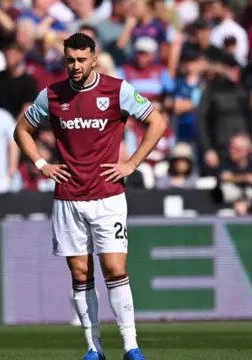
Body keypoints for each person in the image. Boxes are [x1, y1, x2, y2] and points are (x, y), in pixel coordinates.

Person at [13, 33, 166, 360]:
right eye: (70, 60)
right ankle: (93, 348)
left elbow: (156, 122)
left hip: (108, 195)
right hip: (68, 197)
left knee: (114, 268)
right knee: (80, 274)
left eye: (82, 60)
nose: (76, 66)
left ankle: (130, 346)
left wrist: (132, 163)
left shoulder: (117, 89)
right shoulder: (52, 95)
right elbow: (21, 130)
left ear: (94, 59)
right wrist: (41, 164)